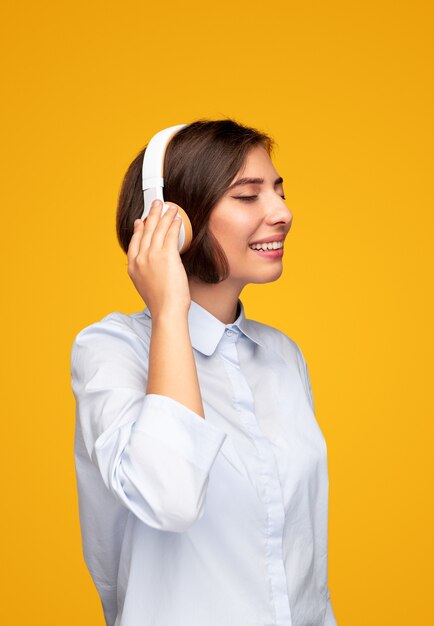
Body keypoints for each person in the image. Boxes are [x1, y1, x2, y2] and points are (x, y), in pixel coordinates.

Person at [70, 118, 338, 626]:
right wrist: (170, 308)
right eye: (247, 196)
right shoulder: (111, 350)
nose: (283, 213)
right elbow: (170, 499)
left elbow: (303, 565)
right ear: (170, 217)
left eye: (279, 191)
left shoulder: (283, 357)